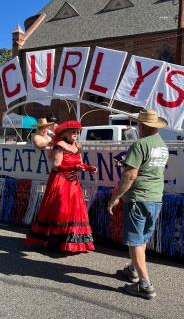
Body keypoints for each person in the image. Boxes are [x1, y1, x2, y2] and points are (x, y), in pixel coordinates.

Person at [107, 109, 169, 300]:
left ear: (144, 125)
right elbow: (148, 169)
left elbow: (131, 175)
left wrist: (115, 197)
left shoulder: (140, 144)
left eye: (139, 124)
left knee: (135, 240)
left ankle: (145, 285)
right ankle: (133, 268)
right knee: (142, 237)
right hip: (155, 197)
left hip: (138, 198)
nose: (138, 127)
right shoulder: (163, 145)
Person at [26, 120, 97, 252]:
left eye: (77, 132)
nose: (76, 134)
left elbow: (80, 163)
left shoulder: (77, 146)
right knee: (61, 209)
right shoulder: (59, 145)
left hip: (73, 182)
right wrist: (73, 167)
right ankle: (55, 241)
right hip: (60, 180)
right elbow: (56, 166)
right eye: (73, 132)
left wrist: (89, 168)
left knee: (75, 209)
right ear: (66, 133)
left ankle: (72, 242)